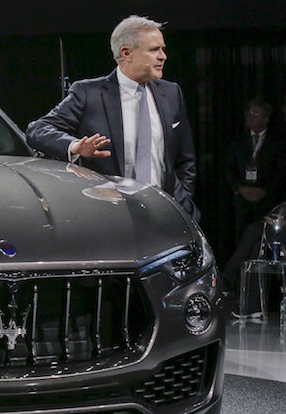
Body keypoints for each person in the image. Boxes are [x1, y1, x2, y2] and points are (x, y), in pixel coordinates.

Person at [26, 15, 199, 221]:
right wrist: (75, 147)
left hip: (168, 212)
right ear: (126, 53)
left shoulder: (171, 93)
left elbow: (185, 159)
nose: (163, 56)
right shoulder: (88, 93)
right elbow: (37, 130)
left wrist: (184, 200)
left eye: (162, 49)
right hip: (110, 215)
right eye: (154, 50)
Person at [225, 99, 286, 245]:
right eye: (249, 113)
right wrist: (240, 188)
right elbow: (229, 167)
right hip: (243, 200)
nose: (249, 116)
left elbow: (281, 171)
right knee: (243, 240)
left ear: (265, 119)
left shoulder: (277, 143)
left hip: (267, 201)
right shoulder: (238, 141)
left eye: (255, 114)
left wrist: (265, 190)